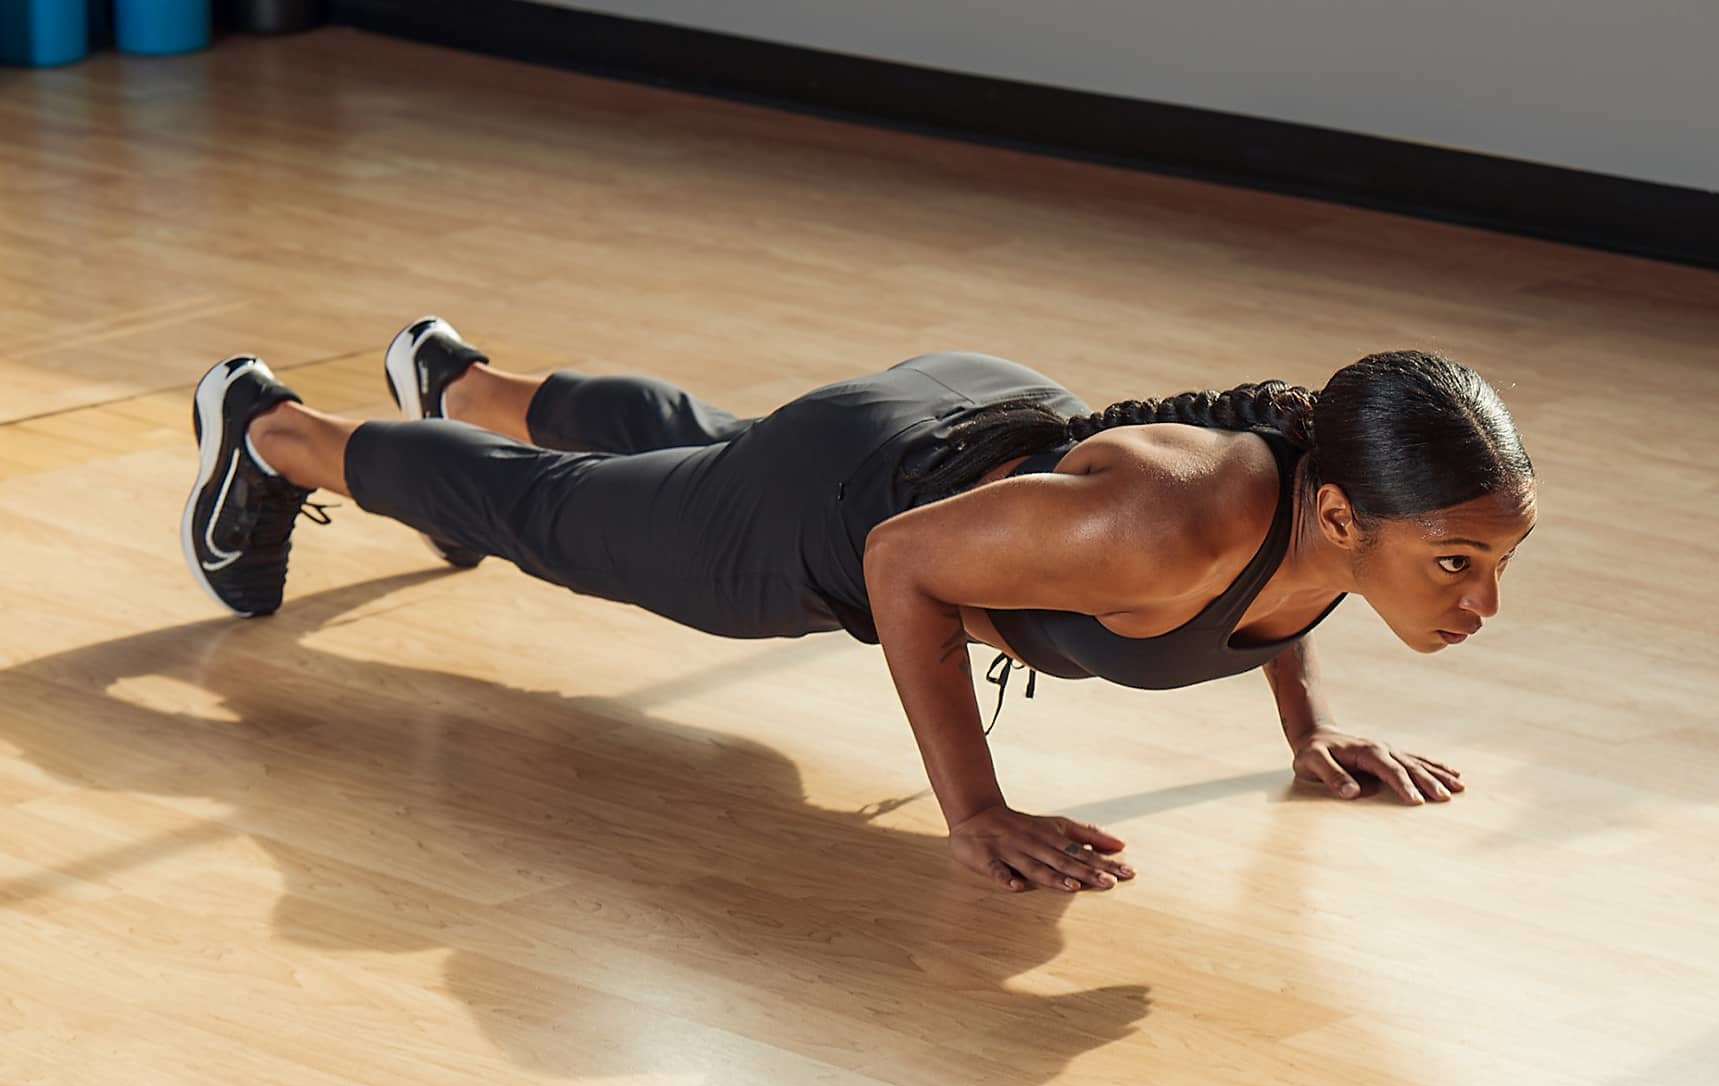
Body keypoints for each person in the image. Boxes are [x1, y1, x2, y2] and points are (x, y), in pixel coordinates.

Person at [181, 318, 1537, 895]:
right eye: (1457, 564)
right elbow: (902, 564)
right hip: (853, 506)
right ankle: (273, 430)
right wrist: (977, 812)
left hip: (962, 421)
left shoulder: (1332, 504)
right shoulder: (1169, 526)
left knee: (703, 457)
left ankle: (463, 384)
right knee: (561, 519)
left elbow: (1279, 594)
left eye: (1493, 564)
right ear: (1350, 516)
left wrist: (1309, 726)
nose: (1480, 604)